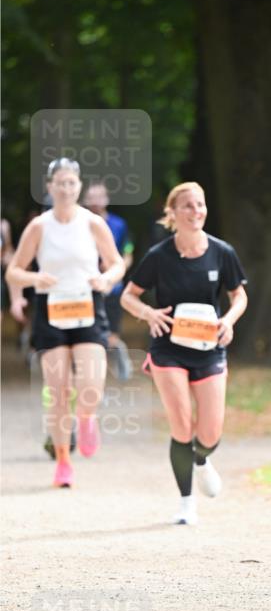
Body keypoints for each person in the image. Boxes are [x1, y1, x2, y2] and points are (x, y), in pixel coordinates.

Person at [120, 182, 248, 525]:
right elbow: (128, 295)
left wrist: (229, 320)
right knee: (181, 425)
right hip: (168, 349)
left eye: (200, 205)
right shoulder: (159, 256)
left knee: (209, 433)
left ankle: (202, 458)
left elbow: (239, 296)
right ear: (173, 214)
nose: (196, 211)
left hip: (208, 348)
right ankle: (186, 503)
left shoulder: (222, 252)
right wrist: (148, 313)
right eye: (188, 206)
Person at [6, 158, 125, 488]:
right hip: (52, 310)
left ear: (79, 187)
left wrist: (105, 279)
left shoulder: (92, 223)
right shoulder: (39, 227)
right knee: (58, 391)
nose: (66, 189)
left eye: (72, 183)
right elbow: (13, 271)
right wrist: (34, 278)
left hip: (87, 305)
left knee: (91, 384)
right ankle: (62, 461)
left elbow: (116, 264)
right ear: (50, 187)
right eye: (60, 183)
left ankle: (86, 418)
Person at [83, 182, 135, 380]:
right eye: (91, 196)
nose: (95, 201)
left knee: (110, 336)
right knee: (92, 337)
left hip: (112, 288)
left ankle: (117, 350)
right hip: (87, 289)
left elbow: (129, 251)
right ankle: (97, 378)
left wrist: (116, 269)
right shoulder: (80, 223)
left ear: (107, 199)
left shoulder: (119, 224)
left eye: (99, 196)